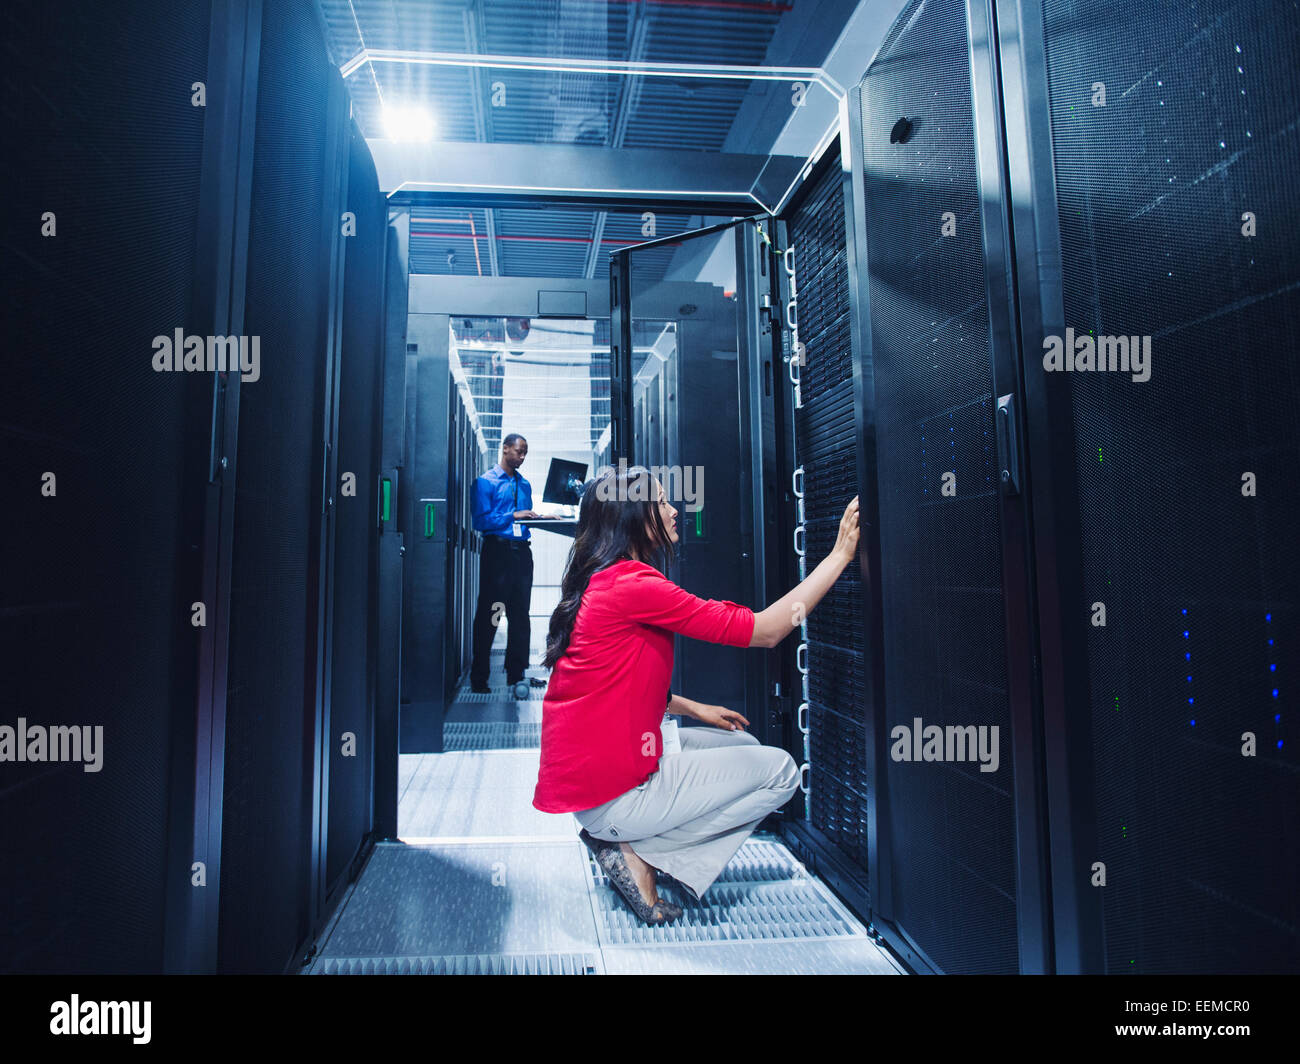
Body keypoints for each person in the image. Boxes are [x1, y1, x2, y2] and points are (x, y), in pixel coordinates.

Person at [532, 464, 860, 924]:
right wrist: (840, 556)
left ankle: (634, 844)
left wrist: (691, 707)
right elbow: (766, 632)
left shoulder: (602, 580)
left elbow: (609, 680)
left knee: (744, 747)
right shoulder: (633, 586)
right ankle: (636, 850)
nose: (673, 511)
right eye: (662, 503)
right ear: (633, 515)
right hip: (611, 793)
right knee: (782, 772)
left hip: (597, 777)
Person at [470, 434, 541, 699]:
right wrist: (512, 514)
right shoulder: (485, 483)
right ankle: (479, 677)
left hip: (522, 554)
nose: (522, 457)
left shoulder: (524, 485)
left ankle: (516, 675)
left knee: (520, 615)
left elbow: (526, 519)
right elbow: (481, 521)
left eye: (525, 453)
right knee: (491, 615)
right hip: (497, 553)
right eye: (519, 451)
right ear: (506, 449)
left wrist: (545, 518)